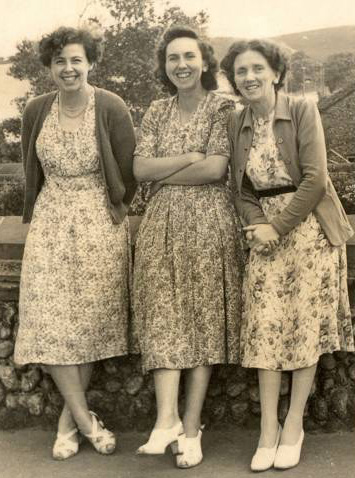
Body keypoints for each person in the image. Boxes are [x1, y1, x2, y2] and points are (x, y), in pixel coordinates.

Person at [221, 38, 354, 471]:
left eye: (257, 68)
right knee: (263, 328)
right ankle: (267, 429)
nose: (249, 78)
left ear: (275, 73)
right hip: (263, 232)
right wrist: (259, 225)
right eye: (241, 71)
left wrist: (277, 227)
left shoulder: (301, 110)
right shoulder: (237, 121)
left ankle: (293, 424)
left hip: (307, 229)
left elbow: (315, 179)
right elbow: (238, 187)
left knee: (302, 328)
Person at [14, 26, 136, 460]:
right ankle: (86, 421)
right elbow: (33, 168)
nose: (68, 68)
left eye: (76, 60)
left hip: (99, 224)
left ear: (90, 63)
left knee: (87, 325)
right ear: (49, 66)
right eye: (59, 60)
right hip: (50, 222)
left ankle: (68, 423)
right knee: (50, 321)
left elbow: (129, 168)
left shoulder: (111, 106)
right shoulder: (36, 110)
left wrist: (112, 212)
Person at [133, 25, 243, 469]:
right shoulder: (157, 111)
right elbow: (139, 168)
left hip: (210, 225)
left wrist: (166, 172)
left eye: (189, 57)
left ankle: (192, 428)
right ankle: (166, 420)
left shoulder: (222, 107)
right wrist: (187, 159)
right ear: (164, 65)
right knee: (164, 318)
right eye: (173, 57)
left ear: (204, 61)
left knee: (202, 324)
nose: (181, 65)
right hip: (161, 227)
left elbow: (216, 169)